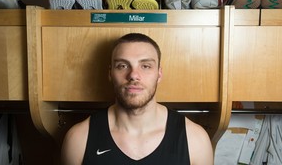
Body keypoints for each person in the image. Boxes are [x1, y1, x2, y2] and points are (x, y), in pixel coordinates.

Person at [61, 33, 213, 165]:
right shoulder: (79, 139)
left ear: (159, 74)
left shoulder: (195, 139)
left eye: (145, 66)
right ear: (110, 73)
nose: (133, 75)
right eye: (122, 66)